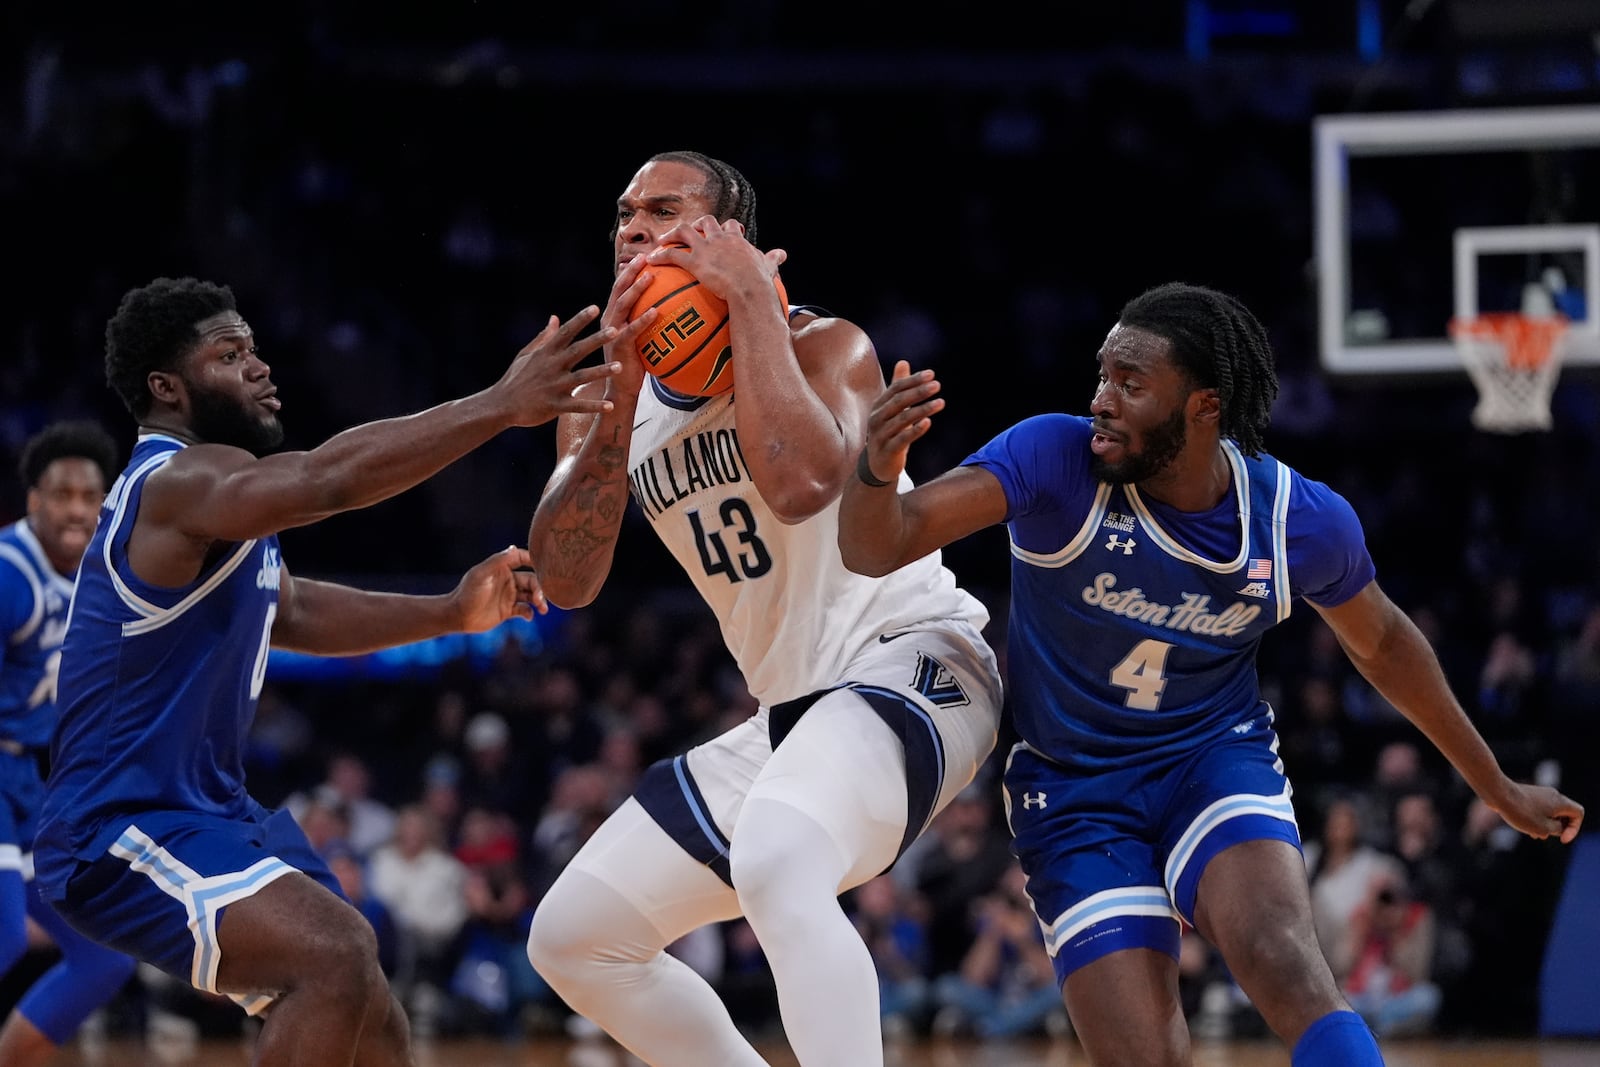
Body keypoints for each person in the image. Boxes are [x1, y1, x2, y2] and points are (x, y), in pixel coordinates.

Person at [836, 280, 1585, 1066]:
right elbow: (877, 545)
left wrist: (1495, 785)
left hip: (1209, 757)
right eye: (1101, 375)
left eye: (1131, 383)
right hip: (1075, 789)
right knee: (1143, 1054)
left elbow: (1386, 647)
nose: (1101, 400)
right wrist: (878, 472)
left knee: (1278, 954)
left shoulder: (1297, 519)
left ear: (1204, 406)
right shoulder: (1053, 459)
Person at [32, 275, 642, 1067]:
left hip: (209, 810)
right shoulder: (175, 481)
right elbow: (328, 479)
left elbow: (291, 612)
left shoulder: (222, 501)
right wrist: (501, 403)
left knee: (372, 1015)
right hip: (115, 823)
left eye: (254, 347)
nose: (259, 366)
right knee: (331, 954)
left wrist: (449, 613)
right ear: (167, 388)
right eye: (229, 354)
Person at [523, 151, 1003, 1067]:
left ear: (730, 239)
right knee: (576, 937)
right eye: (624, 216)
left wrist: (749, 307)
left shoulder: (829, 346)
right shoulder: (601, 398)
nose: (632, 231)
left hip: (917, 660)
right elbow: (568, 580)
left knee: (778, 858)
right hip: (790, 716)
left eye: (665, 211)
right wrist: (620, 400)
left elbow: (803, 484)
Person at [0, 420, 136, 1067]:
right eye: (62, 494)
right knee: (2, 937)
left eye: (90, 495)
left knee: (103, 953)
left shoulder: (104, 576)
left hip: (27, 782)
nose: (78, 507)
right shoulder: (9, 574)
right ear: (33, 501)